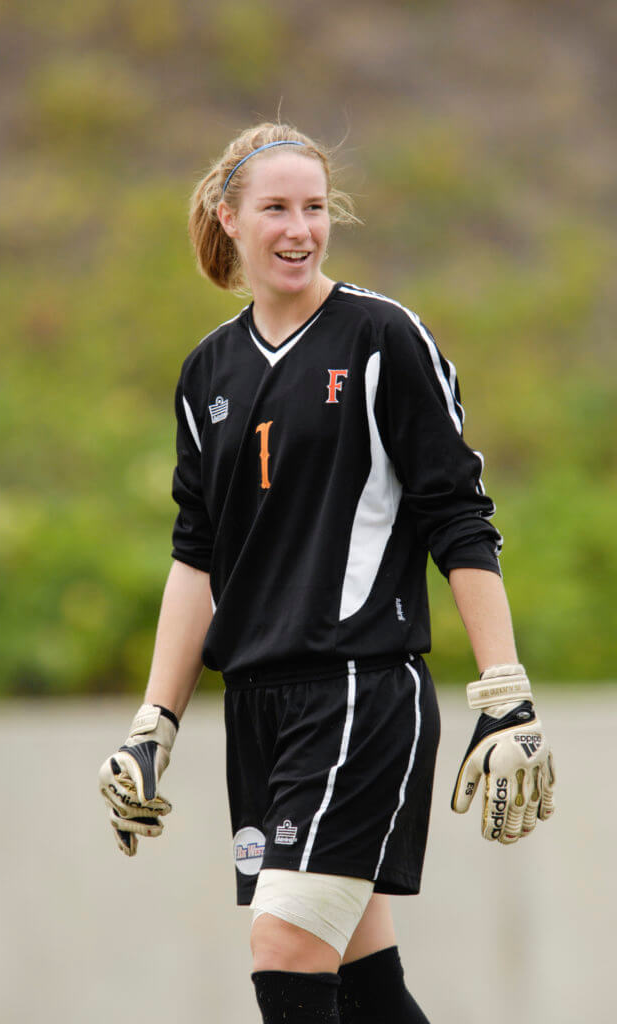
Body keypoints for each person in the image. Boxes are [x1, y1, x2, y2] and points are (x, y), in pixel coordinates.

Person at [99, 122, 556, 1024]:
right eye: (276, 207)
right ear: (229, 219)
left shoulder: (382, 337)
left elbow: (459, 517)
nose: (299, 227)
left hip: (359, 692)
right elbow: (198, 559)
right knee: (364, 983)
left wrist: (504, 691)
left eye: (315, 207)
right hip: (259, 708)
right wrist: (155, 723)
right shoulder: (207, 375)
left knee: (283, 953)